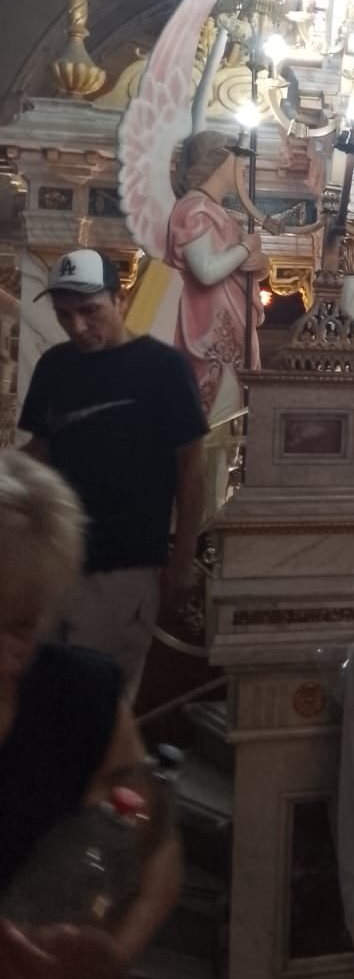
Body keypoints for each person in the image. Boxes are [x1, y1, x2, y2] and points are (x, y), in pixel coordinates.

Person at [0, 450, 181, 979]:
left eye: (20, 624)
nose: (6, 652)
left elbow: (147, 834)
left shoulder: (79, 694)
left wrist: (108, 954)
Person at [19, 249, 209, 693]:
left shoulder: (164, 369)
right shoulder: (55, 367)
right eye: (65, 315)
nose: (78, 327)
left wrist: (181, 559)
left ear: (119, 299)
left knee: (98, 706)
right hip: (55, 561)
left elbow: (191, 468)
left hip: (125, 568)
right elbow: (40, 450)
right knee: (37, 696)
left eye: (90, 311)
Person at [166, 131, 269, 422]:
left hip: (233, 324)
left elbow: (238, 267)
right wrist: (245, 247)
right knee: (216, 424)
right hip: (210, 328)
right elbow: (207, 271)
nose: (243, 168)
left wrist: (260, 264)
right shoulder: (193, 208)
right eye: (238, 160)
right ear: (220, 161)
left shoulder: (217, 212)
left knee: (234, 421)